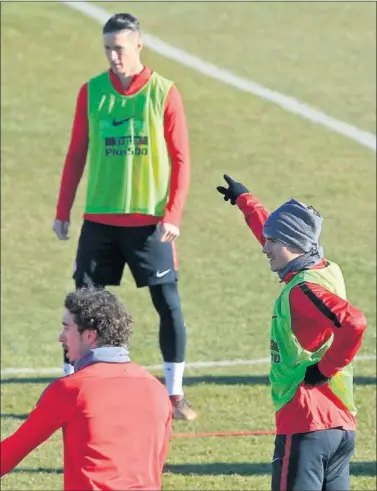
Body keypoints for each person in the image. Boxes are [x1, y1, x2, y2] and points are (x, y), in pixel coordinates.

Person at [52, 13, 196, 420]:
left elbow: (182, 159)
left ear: (138, 47)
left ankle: (174, 395)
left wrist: (173, 214)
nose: (113, 56)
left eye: (120, 48)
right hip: (100, 219)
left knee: (168, 305)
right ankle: (72, 389)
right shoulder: (92, 92)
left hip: (150, 223)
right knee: (81, 305)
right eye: (107, 48)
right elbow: (76, 153)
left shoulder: (164, 93)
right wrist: (63, 210)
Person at [216, 175, 367, 491]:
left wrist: (323, 371)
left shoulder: (303, 290)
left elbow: (354, 322)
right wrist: (246, 201)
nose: (265, 248)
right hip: (339, 427)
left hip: (306, 424)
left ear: (292, 245)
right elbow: (278, 236)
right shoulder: (323, 268)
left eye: (271, 242)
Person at [1, 287, 172, 490]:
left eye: (67, 327)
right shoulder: (156, 389)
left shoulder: (71, 389)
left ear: (90, 336)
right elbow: (155, 464)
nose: (61, 337)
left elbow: (11, 452)